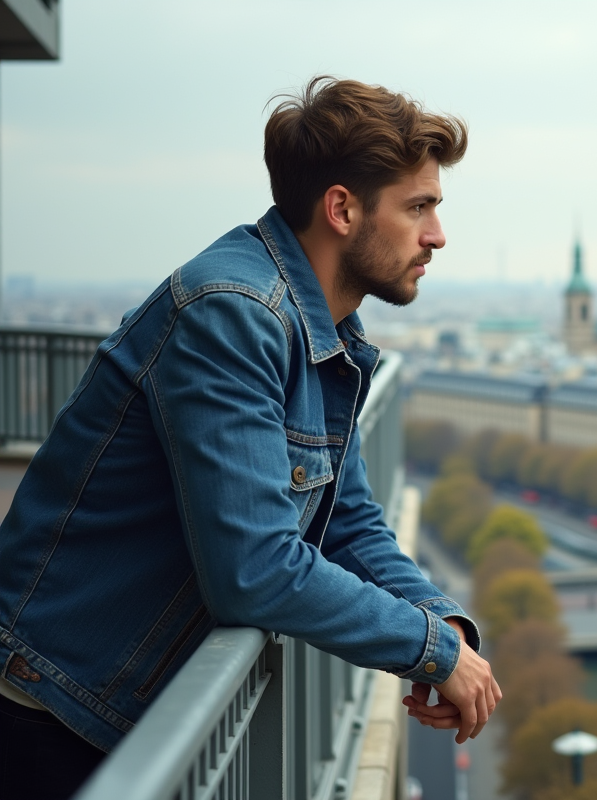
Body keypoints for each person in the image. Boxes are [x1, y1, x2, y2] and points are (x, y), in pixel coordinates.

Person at [0, 77, 500, 798]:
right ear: (341, 209)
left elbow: (347, 521)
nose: (437, 234)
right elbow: (256, 571)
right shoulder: (233, 314)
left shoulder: (317, 327)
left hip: (111, 705)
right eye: (418, 207)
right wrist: (427, 650)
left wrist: (441, 627)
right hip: (51, 709)